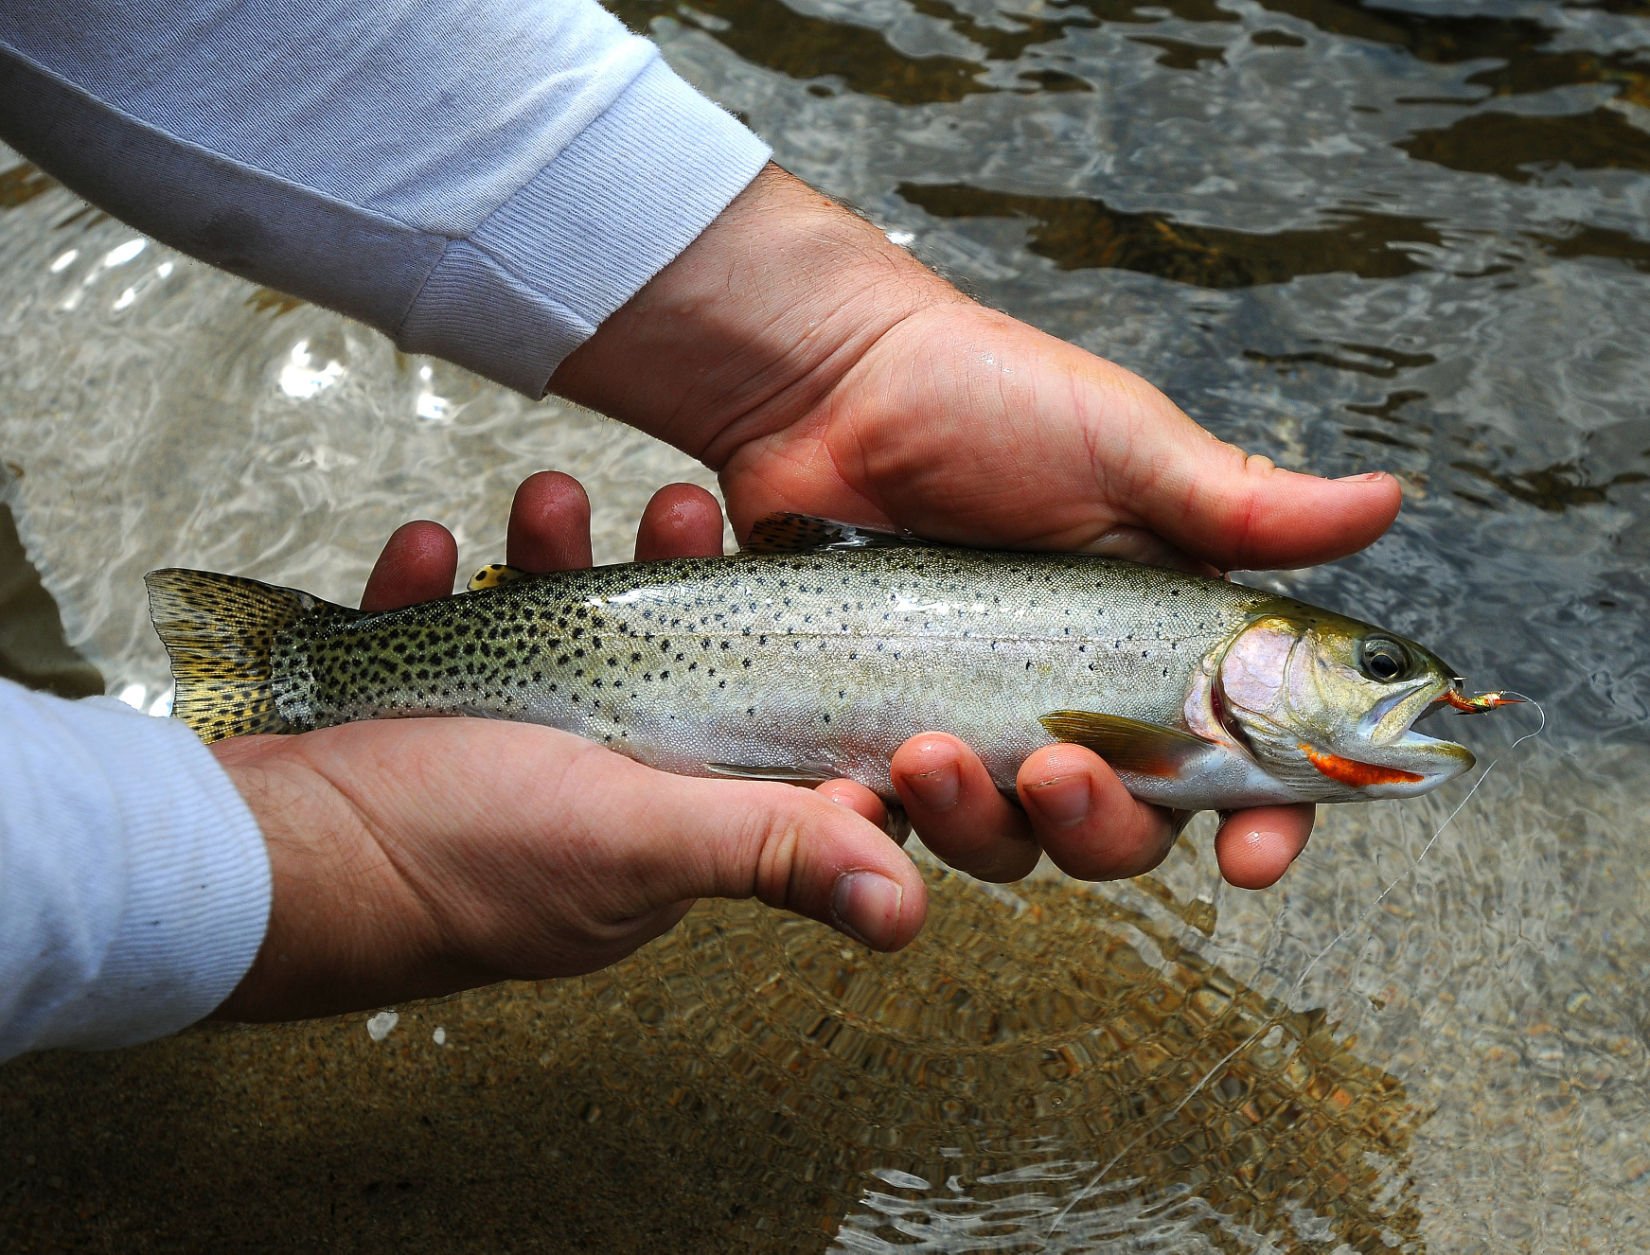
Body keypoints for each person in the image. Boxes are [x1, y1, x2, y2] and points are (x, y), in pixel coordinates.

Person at [0, 2, 1401, 1058]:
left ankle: (213, 761)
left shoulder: (1210, 700)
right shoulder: (1198, 707)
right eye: (1376, 671)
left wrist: (840, 354)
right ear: (1280, 655)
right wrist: (317, 851)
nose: (1398, 694)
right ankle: (264, 730)